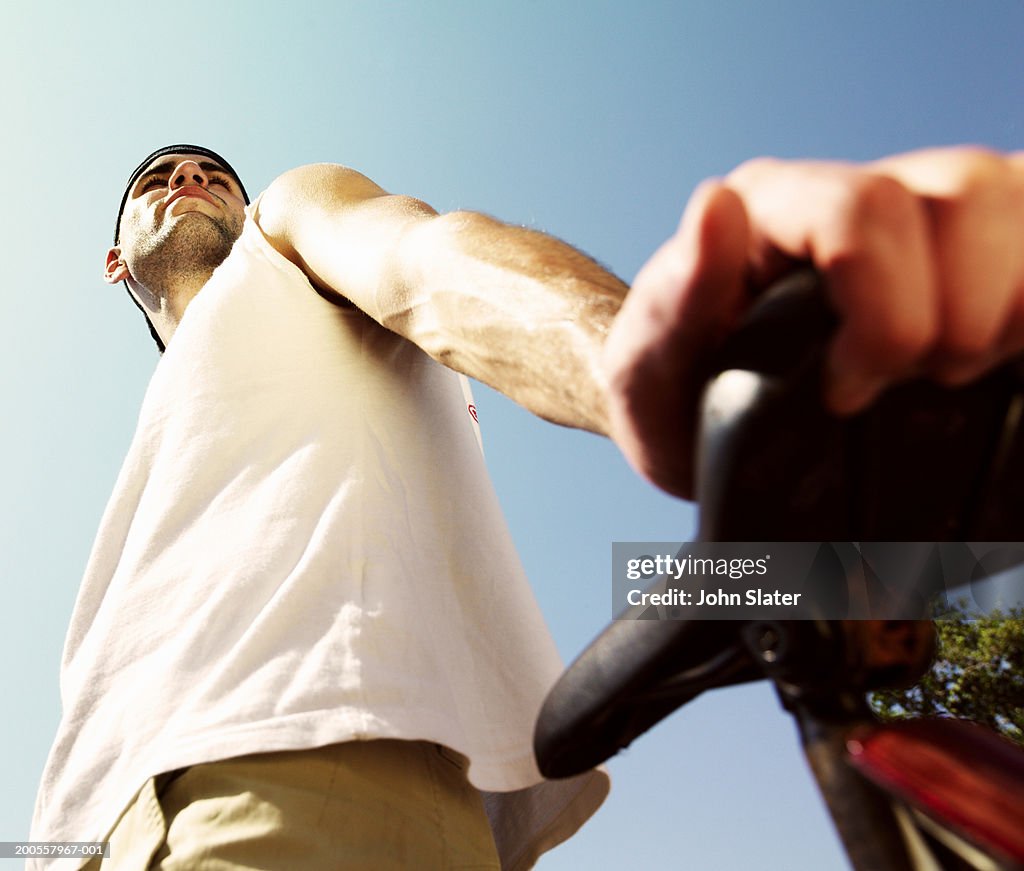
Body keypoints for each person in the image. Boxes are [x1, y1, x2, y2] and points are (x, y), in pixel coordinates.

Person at [30, 143, 1024, 870]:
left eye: (211, 173)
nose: (188, 181)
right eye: (155, 178)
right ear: (116, 261)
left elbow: (432, 265)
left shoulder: (289, 237)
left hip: (299, 762)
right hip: (79, 824)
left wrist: (682, 373)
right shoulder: (163, 433)